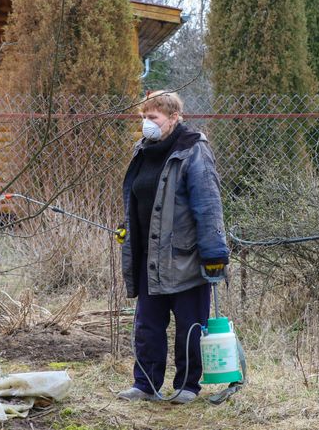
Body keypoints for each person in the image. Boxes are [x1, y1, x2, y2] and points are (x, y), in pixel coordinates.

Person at [116, 90, 230, 404]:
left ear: (174, 117)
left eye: (153, 117)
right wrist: (128, 229)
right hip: (147, 256)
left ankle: (187, 387)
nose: (146, 124)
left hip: (186, 257)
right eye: (143, 118)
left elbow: (208, 204)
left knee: (189, 326)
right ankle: (145, 384)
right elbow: (137, 198)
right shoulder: (143, 150)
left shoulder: (193, 149)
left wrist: (214, 254)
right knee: (148, 325)